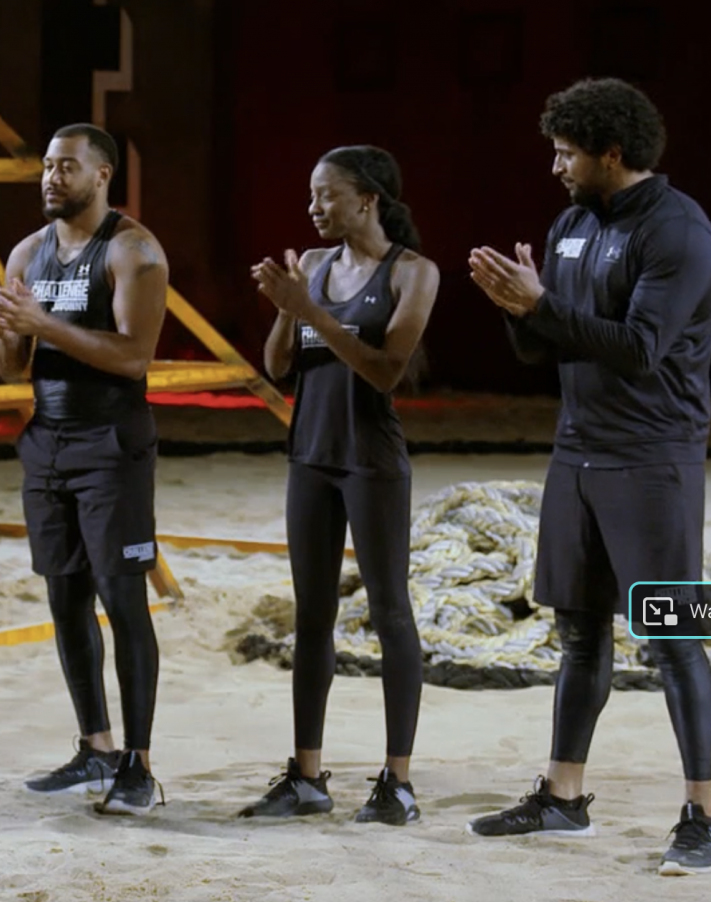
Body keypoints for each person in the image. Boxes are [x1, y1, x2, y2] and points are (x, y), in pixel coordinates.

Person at [465, 77, 711, 876]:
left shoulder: (681, 233)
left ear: (611, 153)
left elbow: (641, 349)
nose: (556, 167)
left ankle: (705, 818)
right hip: (576, 451)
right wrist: (518, 309)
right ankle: (562, 797)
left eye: (566, 153)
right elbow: (547, 344)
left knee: (673, 637)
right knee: (579, 633)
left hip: (653, 457)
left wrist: (541, 306)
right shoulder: (572, 224)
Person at [0, 123, 169, 816]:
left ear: (102, 174)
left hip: (111, 442)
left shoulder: (133, 250)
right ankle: (96, 748)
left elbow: (134, 357)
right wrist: (4, 328)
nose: (52, 177)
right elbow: (11, 367)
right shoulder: (29, 252)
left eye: (67, 167)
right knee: (65, 599)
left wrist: (43, 322)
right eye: (47, 166)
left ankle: (139, 766)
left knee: (122, 599)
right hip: (46, 440)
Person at [240, 145, 439, 827]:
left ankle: (397, 782)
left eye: (326, 195)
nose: (313, 207)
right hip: (311, 458)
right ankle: (306, 776)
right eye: (311, 195)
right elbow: (277, 367)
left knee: (390, 613)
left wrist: (311, 310)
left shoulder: (412, 272)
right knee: (312, 616)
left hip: (370, 460)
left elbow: (386, 370)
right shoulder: (315, 266)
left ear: (367, 199)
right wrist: (286, 308)